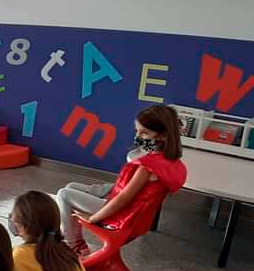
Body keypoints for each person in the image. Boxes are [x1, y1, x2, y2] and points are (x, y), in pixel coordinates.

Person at [58, 105, 187, 256]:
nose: (138, 136)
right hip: (134, 214)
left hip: (123, 216)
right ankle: (78, 243)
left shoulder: (147, 168)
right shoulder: (171, 161)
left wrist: (93, 219)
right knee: (71, 186)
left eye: (144, 133)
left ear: (163, 135)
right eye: (137, 131)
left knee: (64, 194)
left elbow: (122, 199)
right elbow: (134, 191)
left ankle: (71, 245)